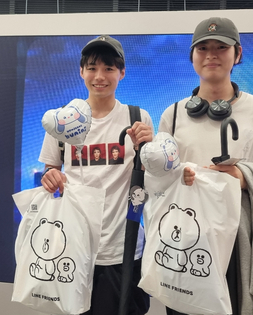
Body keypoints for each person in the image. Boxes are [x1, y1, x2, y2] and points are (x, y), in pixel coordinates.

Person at [158, 17, 253, 314]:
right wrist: (176, 176)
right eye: (203, 48)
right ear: (192, 57)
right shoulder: (172, 115)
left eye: (221, 47)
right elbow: (160, 180)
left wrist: (243, 176)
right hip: (187, 236)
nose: (211, 54)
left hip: (240, 239)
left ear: (237, 54)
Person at [39, 35, 153, 315]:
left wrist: (149, 149)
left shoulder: (137, 119)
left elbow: (153, 180)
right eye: (92, 68)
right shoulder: (63, 121)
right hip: (74, 249)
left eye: (109, 68)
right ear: (81, 72)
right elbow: (50, 171)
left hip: (123, 252)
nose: (99, 76)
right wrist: (51, 179)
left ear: (122, 73)